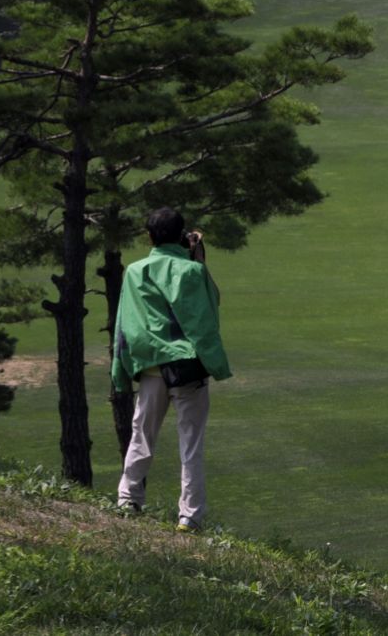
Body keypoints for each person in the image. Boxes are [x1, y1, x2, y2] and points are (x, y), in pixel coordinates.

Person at [111, 206, 231, 531]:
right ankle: (189, 515)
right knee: (190, 442)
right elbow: (209, 308)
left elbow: (123, 324)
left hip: (151, 367)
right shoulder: (192, 271)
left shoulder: (134, 272)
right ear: (182, 235)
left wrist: (119, 372)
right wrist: (198, 259)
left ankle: (128, 499)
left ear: (149, 236)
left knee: (141, 436)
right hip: (188, 368)